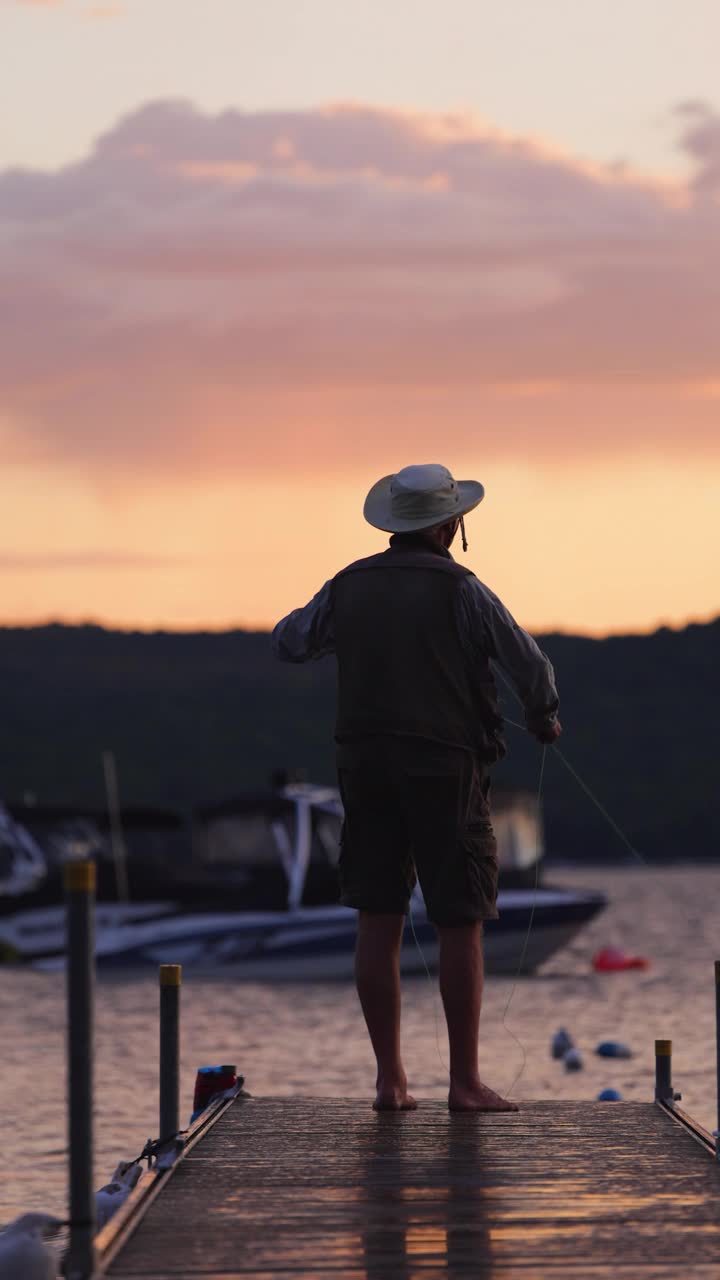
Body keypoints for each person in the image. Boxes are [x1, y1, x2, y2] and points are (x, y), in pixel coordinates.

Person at [272, 463, 561, 1112]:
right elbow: (528, 663)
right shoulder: (464, 589)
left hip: (365, 769)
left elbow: (289, 642)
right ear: (448, 525)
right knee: (460, 921)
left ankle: (391, 1082)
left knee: (378, 921)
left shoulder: (347, 585)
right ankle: (463, 1084)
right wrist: (544, 717)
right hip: (447, 769)